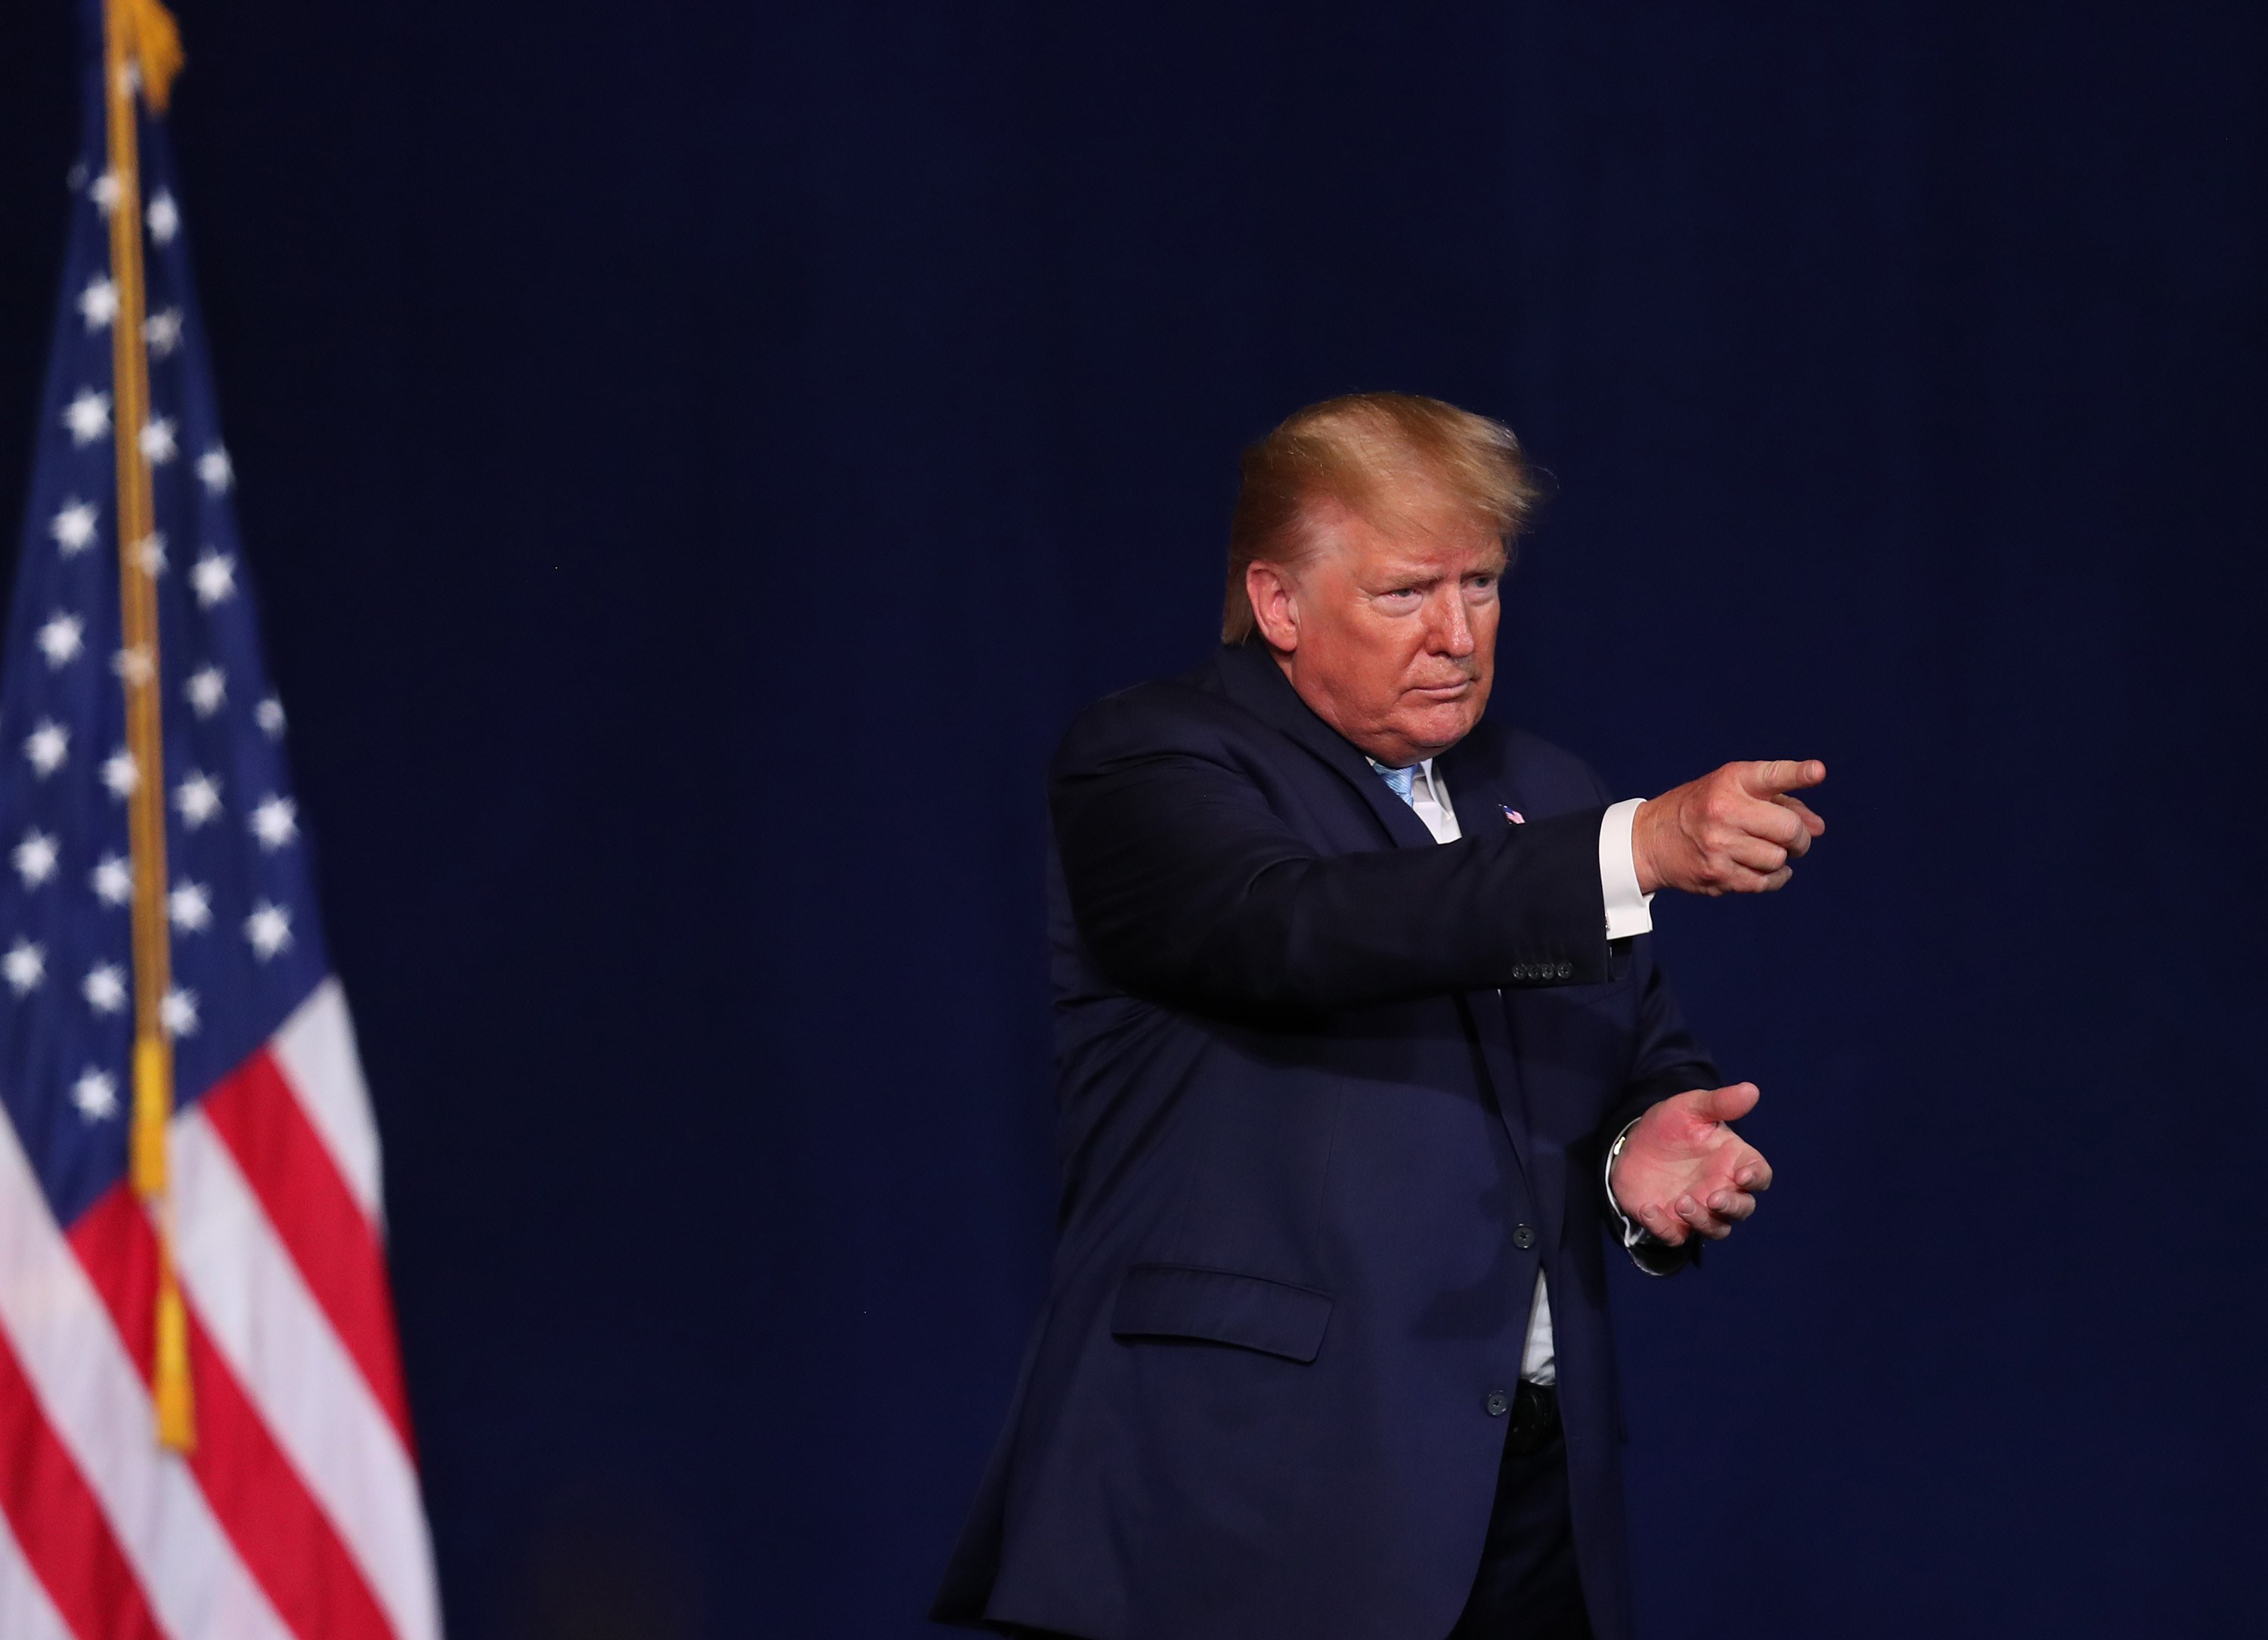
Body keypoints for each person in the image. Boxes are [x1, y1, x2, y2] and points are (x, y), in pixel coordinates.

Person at [932, 392, 1826, 1640]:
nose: (1457, 634)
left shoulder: (1543, 785)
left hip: (1527, 1503)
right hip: (1258, 1498)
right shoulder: (1152, 760)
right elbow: (1293, 927)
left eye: (1483, 584)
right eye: (1409, 593)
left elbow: (1634, 1043)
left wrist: (1640, 1149)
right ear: (1281, 603)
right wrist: (1641, 840)